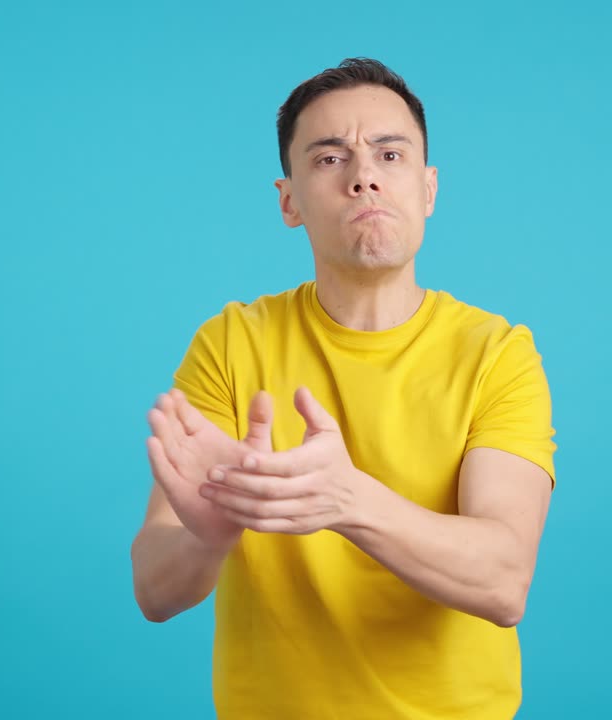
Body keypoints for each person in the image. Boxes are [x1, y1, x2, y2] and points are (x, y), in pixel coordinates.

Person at [131, 57, 558, 719]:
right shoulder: (231, 343)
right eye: (330, 160)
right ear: (289, 201)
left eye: (390, 154)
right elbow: (155, 591)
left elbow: (504, 582)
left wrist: (348, 500)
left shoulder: (496, 355)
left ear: (428, 188)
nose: (364, 177)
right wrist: (208, 538)